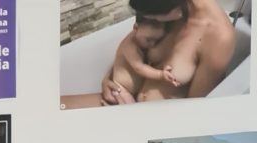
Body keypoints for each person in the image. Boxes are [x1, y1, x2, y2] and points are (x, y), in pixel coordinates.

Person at [101, 0, 235, 105]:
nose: (153, 19)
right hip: (125, 99)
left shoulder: (218, 37)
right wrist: (110, 79)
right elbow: (132, 46)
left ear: (176, 10)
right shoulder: (167, 9)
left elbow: (194, 111)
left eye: (155, 17)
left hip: (158, 121)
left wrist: (132, 118)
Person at [110, 15, 180, 100]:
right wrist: (161, 75)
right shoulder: (129, 46)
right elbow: (139, 67)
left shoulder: (142, 37)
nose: (152, 44)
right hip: (122, 89)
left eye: (157, 40)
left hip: (135, 90)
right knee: (131, 108)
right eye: (148, 40)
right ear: (135, 28)